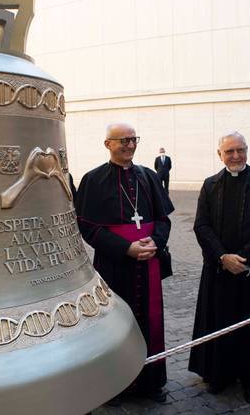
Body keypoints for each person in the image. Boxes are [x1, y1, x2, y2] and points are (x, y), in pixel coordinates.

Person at [75, 123, 174, 404]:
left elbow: (164, 219)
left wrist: (156, 241)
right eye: (123, 140)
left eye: (133, 139)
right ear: (108, 144)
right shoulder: (92, 180)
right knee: (115, 325)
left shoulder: (150, 177)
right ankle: (116, 385)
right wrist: (125, 248)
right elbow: (87, 226)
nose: (129, 145)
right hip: (114, 264)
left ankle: (152, 383)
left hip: (149, 261)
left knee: (150, 322)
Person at [188, 132, 250, 404]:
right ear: (220, 154)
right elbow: (201, 226)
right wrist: (222, 257)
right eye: (230, 152)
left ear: (247, 151)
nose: (236, 156)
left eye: (240, 150)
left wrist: (243, 259)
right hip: (218, 271)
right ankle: (220, 375)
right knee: (220, 324)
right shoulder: (210, 185)